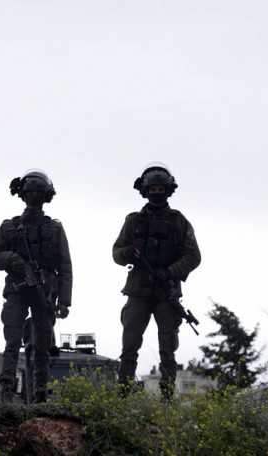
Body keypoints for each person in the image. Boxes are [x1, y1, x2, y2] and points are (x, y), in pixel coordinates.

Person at [112, 162, 201, 401]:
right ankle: (123, 395)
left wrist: (170, 271)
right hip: (137, 291)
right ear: (145, 191)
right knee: (129, 347)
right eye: (153, 189)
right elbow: (116, 252)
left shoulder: (179, 221)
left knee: (167, 350)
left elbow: (193, 256)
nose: (157, 193)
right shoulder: (133, 221)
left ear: (168, 190)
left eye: (161, 189)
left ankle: (167, 398)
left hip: (165, 293)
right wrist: (127, 253)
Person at [0, 169, 72, 404]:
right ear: (23, 195)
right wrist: (12, 259)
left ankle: (40, 393)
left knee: (42, 344)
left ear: (46, 196)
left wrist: (65, 301)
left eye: (39, 193)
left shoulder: (54, 229)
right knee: (13, 341)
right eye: (30, 193)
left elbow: (65, 266)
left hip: (44, 292)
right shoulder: (9, 227)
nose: (34, 197)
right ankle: (7, 390)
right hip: (17, 290)